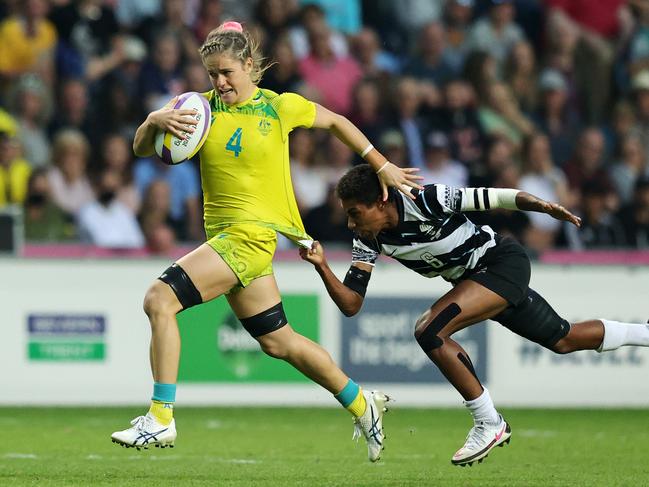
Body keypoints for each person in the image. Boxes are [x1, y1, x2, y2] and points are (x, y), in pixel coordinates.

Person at [110, 21, 422, 461]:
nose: (219, 83)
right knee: (279, 342)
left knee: (159, 299)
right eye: (212, 74)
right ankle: (360, 402)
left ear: (249, 66)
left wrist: (382, 163)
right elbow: (145, 149)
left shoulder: (280, 107)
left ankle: (160, 418)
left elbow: (335, 121)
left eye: (226, 73)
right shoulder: (198, 108)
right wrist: (151, 122)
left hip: (249, 239)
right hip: (228, 241)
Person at [299, 164, 649, 466]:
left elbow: (497, 197)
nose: (349, 223)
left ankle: (488, 422)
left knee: (429, 331)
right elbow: (351, 304)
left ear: (381, 201)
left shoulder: (426, 198)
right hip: (477, 283)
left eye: (355, 213)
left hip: (500, 263)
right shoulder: (369, 240)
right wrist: (322, 266)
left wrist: (542, 206)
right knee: (563, 338)